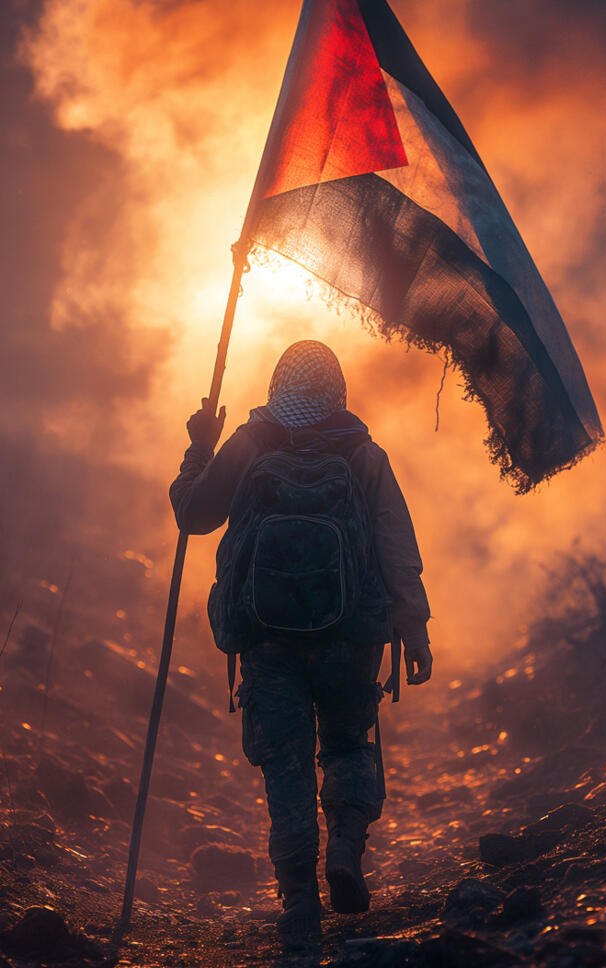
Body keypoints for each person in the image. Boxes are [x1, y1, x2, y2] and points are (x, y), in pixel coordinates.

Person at [170, 340, 432, 943]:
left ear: (276, 387)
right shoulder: (363, 452)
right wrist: (413, 627)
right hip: (351, 636)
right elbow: (397, 546)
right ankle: (344, 845)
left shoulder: (249, 443)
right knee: (348, 744)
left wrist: (201, 446)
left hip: (266, 637)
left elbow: (192, 514)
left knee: (284, 767)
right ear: (337, 390)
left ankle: (298, 903)